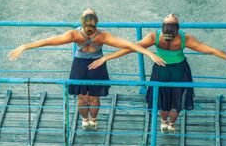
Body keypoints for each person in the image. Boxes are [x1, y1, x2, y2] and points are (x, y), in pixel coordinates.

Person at [89, 13, 226, 133]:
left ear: (163, 27)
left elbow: (131, 47)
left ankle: (163, 122)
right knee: (177, 99)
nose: (171, 15)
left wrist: (106, 58)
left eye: (169, 17)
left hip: (161, 70)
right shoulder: (185, 39)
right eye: (172, 17)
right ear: (177, 29)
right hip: (179, 71)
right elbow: (211, 50)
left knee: (162, 97)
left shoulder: (154, 37)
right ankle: (172, 125)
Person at [8, 8, 166, 130]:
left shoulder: (74, 35)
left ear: (82, 22)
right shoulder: (102, 36)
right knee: (95, 98)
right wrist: (149, 53)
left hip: (80, 67)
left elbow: (49, 41)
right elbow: (129, 45)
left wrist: (25, 46)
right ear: (95, 23)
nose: (89, 7)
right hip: (97, 66)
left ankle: (85, 121)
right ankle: (94, 121)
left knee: (82, 98)